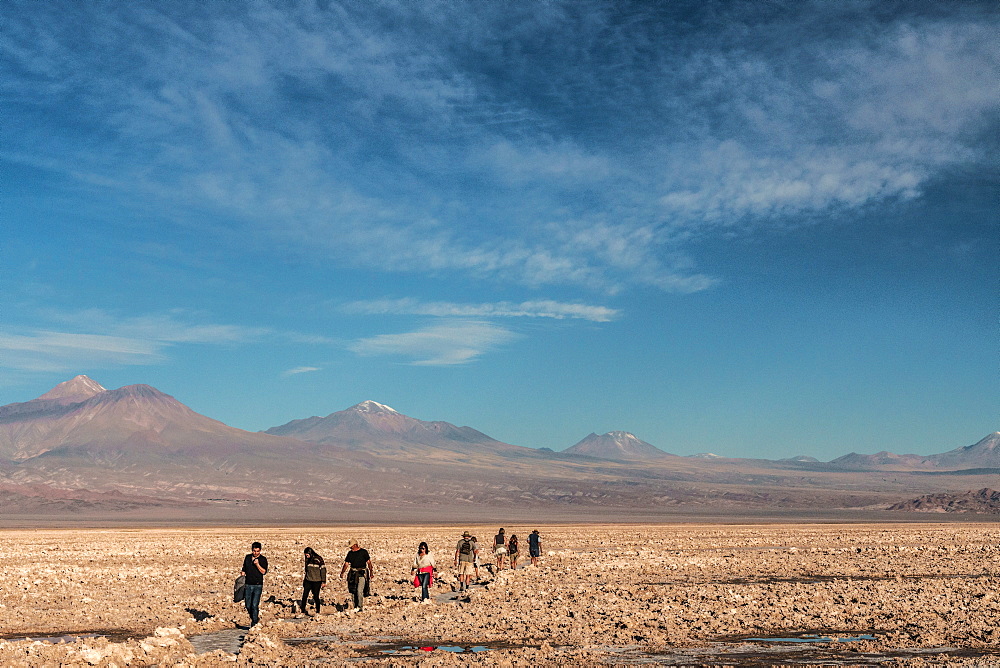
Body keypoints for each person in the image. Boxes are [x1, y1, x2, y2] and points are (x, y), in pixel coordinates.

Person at [240, 541, 268, 627]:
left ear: (260, 551)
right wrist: (242, 573)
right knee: (248, 605)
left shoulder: (263, 559)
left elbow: (264, 572)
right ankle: (254, 618)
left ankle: (254, 623)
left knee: (254, 605)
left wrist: (257, 564)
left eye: (257, 551)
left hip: (258, 585)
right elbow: (244, 568)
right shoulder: (247, 557)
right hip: (248, 584)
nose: (255, 553)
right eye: (254, 551)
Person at [339, 539, 373, 611]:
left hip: (361, 573)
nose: (350, 548)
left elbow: (369, 563)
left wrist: (371, 573)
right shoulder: (350, 553)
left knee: (359, 590)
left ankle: (360, 607)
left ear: (355, 545)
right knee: (353, 591)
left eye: (351, 546)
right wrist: (342, 572)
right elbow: (346, 564)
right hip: (353, 574)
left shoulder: (363, 552)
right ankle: (355, 606)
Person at [300, 547, 326, 615]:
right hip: (308, 580)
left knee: (316, 596)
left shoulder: (318, 559)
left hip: (317, 581)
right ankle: (302, 610)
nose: (306, 556)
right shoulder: (307, 560)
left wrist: (323, 581)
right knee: (305, 595)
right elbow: (307, 571)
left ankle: (318, 610)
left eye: (307, 555)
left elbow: (323, 570)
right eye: (305, 555)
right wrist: (304, 580)